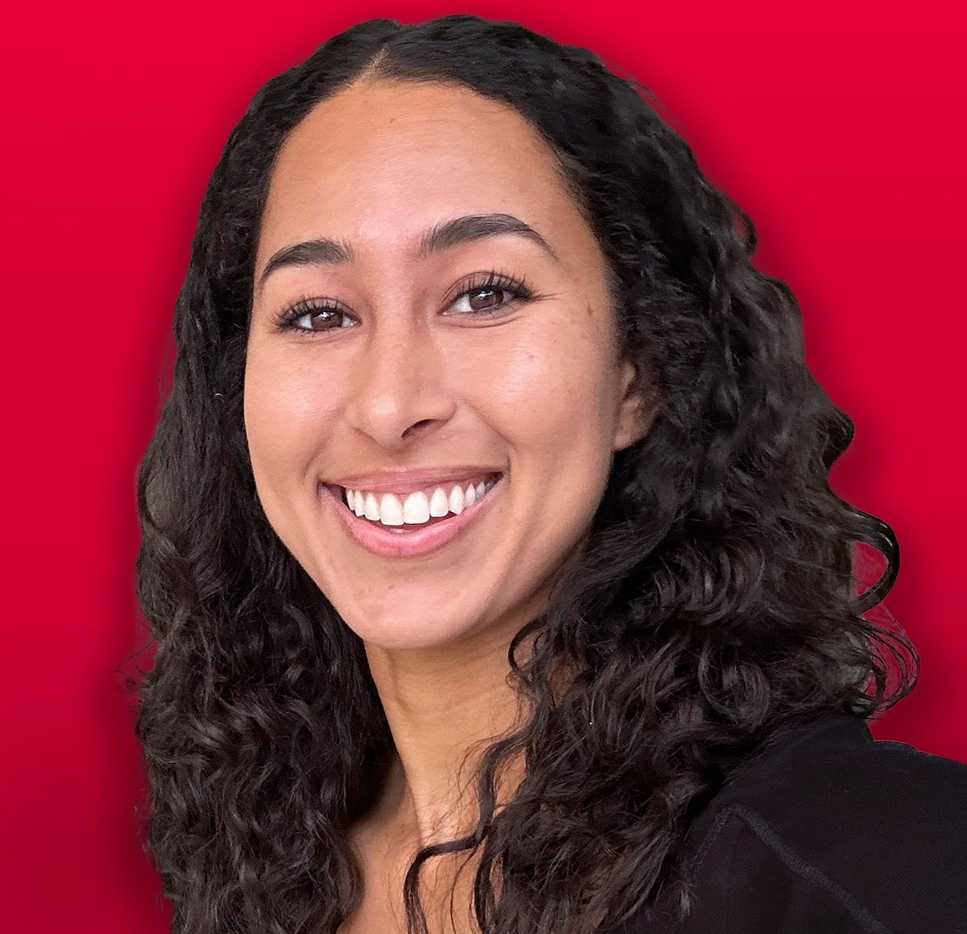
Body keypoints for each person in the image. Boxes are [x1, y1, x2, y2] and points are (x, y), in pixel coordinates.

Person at [132, 13, 967, 934]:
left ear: (639, 372)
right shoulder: (259, 867)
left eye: (484, 294)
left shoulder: (878, 873)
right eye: (318, 314)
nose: (388, 404)